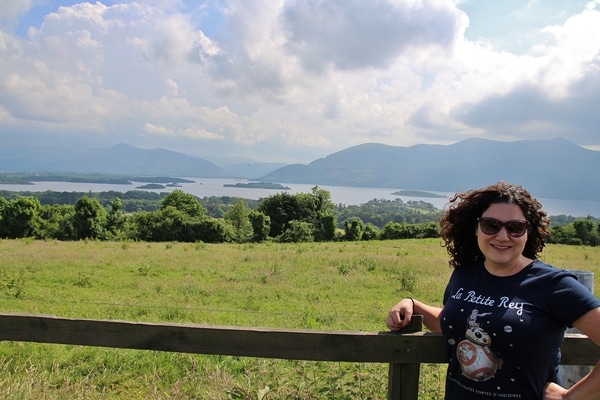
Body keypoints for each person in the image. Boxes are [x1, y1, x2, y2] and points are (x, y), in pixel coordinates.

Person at [386, 181, 600, 399]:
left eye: (515, 227)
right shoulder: (464, 275)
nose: (502, 236)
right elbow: (454, 322)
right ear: (476, 227)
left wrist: (570, 397)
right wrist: (413, 304)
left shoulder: (553, 284)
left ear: (528, 232)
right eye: (491, 225)